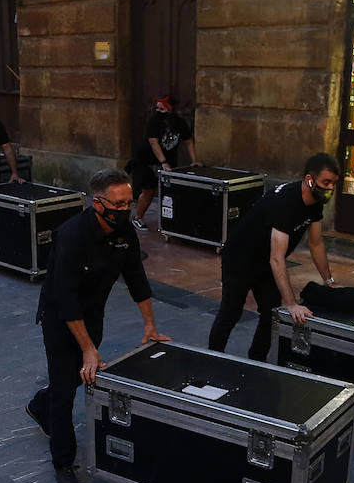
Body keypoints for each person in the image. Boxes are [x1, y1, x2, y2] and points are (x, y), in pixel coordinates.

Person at [27, 168, 168, 483]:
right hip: (61, 316)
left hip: (92, 315)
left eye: (128, 204)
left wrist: (150, 324)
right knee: (66, 388)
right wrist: (88, 349)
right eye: (117, 204)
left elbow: (136, 278)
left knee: (78, 376)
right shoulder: (72, 235)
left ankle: (38, 404)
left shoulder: (125, 234)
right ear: (97, 202)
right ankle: (63, 464)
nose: (124, 210)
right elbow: (65, 299)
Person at [207, 152, 340, 362]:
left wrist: (329, 282)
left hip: (264, 262)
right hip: (240, 258)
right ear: (309, 179)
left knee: (271, 314)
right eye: (326, 182)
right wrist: (291, 303)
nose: (330, 188)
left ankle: (256, 360)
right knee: (231, 312)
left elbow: (316, 244)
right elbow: (277, 258)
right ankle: (212, 358)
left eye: (333, 183)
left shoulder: (315, 203)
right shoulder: (285, 203)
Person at [125, 95, 198, 231]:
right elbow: (153, 142)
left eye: (162, 108)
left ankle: (172, 220)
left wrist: (194, 160)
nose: (158, 111)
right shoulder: (154, 121)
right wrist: (163, 162)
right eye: (157, 108)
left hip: (168, 161)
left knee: (171, 191)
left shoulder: (179, 123)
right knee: (149, 191)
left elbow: (188, 141)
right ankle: (137, 218)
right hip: (146, 160)